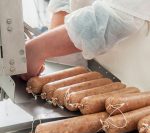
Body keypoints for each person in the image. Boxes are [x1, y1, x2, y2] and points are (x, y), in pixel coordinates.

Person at [22, 0, 150, 81]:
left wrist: (39, 49)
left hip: (134, 80)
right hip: (94, 76)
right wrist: (58, 64)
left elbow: (114, 18)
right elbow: (65, 4)